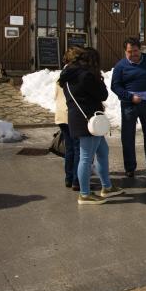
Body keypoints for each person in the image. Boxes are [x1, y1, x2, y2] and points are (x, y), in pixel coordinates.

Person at [60, 47, 123, 205]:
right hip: (89, 120)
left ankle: (106, 186)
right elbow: (103, 94)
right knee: (86, 157)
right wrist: (98, 78)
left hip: (80, 118)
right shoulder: (85, 75)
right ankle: (85, 194)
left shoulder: (68, 75)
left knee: (103, 151)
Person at [111, 37, 146, 177]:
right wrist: (130, 97)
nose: (133, 54)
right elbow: (115, 86)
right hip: (129, 106)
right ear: (125, 51)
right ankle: (130, 167)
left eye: (135, 51)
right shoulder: (120, 66)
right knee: (128, 137)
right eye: (130, 51)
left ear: (140, 49)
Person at [55, 47, 83, 190]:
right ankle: (77, 180)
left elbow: (56, 95)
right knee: (78, 148)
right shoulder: (76, 73)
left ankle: (68, 177)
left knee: (70, 148)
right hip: (72, 114)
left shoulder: (62, 74)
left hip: (61, 115)